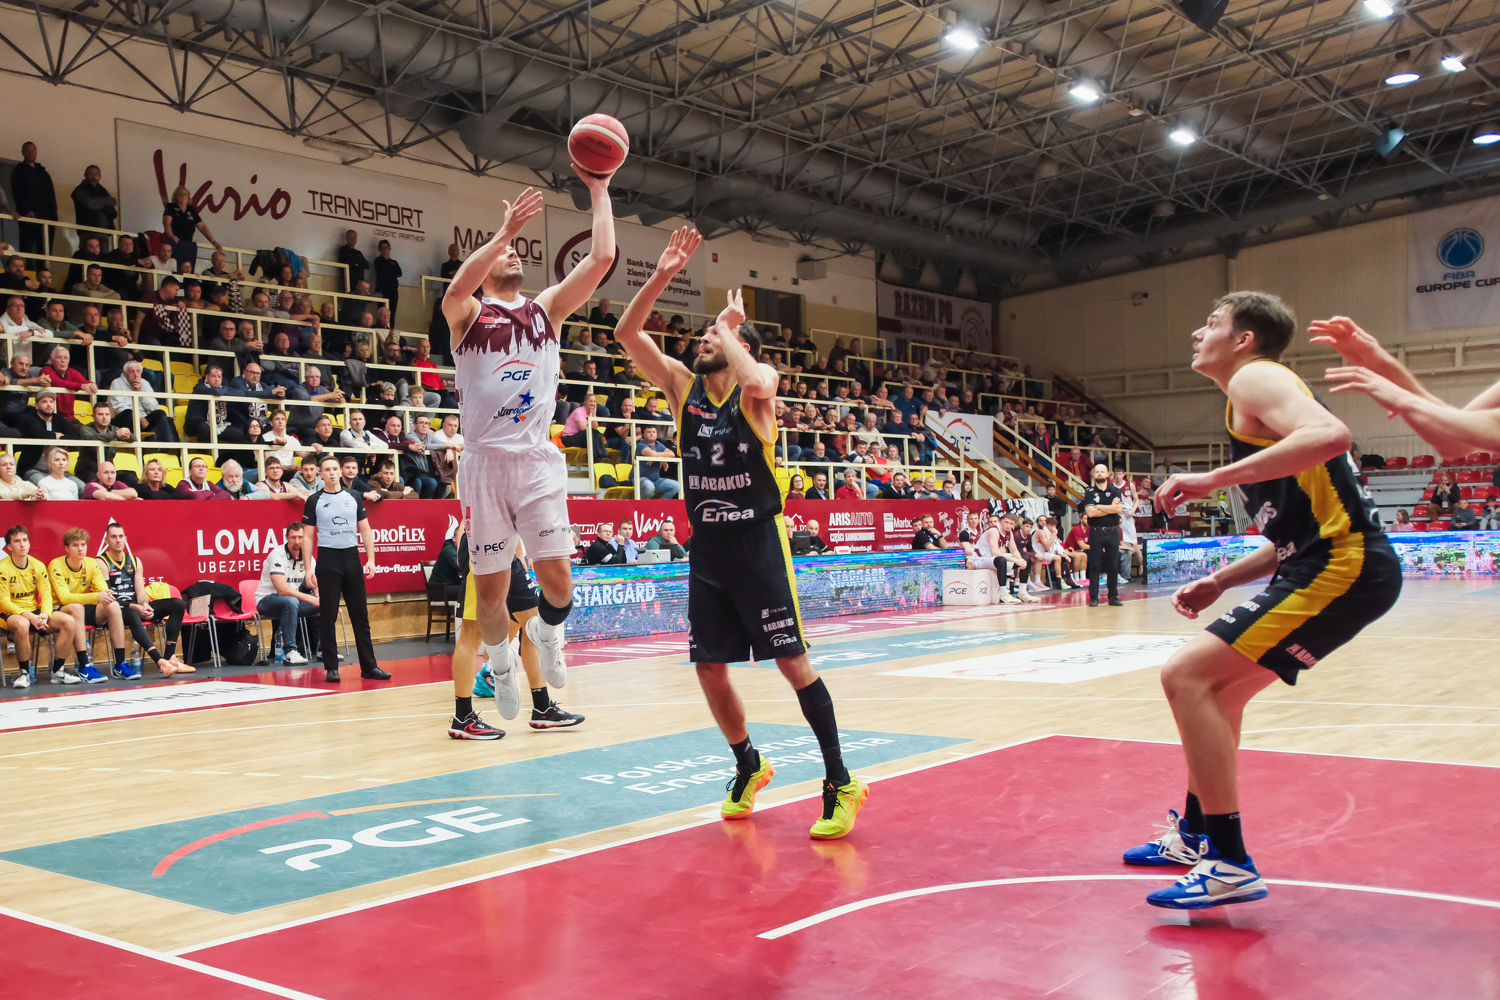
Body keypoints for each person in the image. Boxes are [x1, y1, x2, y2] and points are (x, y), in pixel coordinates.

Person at [1132, 292, 1401, 911]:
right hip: (1331, 562)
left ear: (1244, 339)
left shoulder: (1255, 378)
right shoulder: (1251, 402)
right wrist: (1222, 581)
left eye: (1211, 323)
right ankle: (1196, 837)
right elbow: (1292, 536)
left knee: (1185, 675)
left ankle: (1228, 862)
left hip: (1344, 564)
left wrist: (1211, 479)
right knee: (1220, 693)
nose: (1197, 333)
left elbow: (1332, 435)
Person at [613, 235, 867, 840]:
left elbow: (757, 379)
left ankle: (840, 781)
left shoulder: (757, 389)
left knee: (792, 662)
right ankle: (748, 764)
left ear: (738, 345)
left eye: (713, 337)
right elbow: (627, 333)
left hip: (758, 545)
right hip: (708, 549)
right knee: (709, 667)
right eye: (705, 336)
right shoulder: (683, 388)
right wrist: (663, 273)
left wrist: (728, 328)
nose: (702, 341)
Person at [441, 173, 617, 723]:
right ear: (485, 263)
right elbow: (454, 292)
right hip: (484, 463)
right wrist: (503, 232)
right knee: (491, 596)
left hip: (537, 460)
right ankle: (500, 664)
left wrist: (600, 187)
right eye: (504, 251)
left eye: (516, 249)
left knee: (559, 586)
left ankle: (544, 632)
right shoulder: (469, 315)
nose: (513, 253)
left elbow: (602, 258)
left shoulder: (545, 310)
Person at [455, 535, 583, 738]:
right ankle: (463, 718)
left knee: (533, 622)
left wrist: (521, 554)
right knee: (472, 634)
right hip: (481, 546)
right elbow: (466, 522)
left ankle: (542, 708)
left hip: (509, 549)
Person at [303, 455, 388, 682]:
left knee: (360, 616)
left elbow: (366, 530)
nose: (331, 472)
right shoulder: (314, 500)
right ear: (320, 474)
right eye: (327, 469)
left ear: (340, 472)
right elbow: (308, 537)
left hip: (351, 557)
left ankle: (369, 667)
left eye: (334, 468)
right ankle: (331, 668)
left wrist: (371, 559)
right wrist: (308, 567)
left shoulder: (353, 496)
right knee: (328, 615)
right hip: (328, 560)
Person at [96, 522, 192, 676]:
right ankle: (160, 661)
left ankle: (169, 657)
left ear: (125, 539)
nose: (118, 540)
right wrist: (136, 607)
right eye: (113, 537)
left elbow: (140, 593)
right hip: (117, 609)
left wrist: (145, 605)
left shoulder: (135, 561)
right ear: (106, 540)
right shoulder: (101, 562)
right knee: (132, 613)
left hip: (136, 606)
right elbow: (108, 597)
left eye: (121, 536)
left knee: (178, 604)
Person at [49, 527, 137, 681]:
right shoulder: (56, 565)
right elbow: (64, 598)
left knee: (113, 605)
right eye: (75, 545)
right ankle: (85, 667)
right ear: (67, 548)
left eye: (83, 544)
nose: (80, 549)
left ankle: (120, 664)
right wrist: (96, 596)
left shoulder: (91, 563)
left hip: (82, 607)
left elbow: (103, 591)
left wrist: (104, 595)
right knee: (77, 607)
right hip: (60, 610)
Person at [1, 525, 80, 687]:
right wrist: (30, 616)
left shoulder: (37, 565)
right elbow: (4, 602)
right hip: (9, 613)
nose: (22, 544)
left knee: (69, 621)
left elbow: (46, 595)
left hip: (34, 612)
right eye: (17, 541)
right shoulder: (2, 568)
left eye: (25, 540)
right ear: (9, 547)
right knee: (22, 624)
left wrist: (45, 614)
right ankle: (24, 673)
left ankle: (58, 671)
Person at [255, 523, 319, 665]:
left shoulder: (308, 557)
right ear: (286, 538)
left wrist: (318, 596)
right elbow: (282, 590)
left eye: (300, 537)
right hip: (267, 600)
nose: (297, 541)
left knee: (327, 603)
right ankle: (289, 652)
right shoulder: (277, 555)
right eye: (293, 537)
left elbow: (315, 583)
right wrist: (310, 599)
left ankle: (325, 649)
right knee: (291, 601)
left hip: (293, 602)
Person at [1077, 463, 1124, 607]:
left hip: (1113, 531)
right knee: (1095, 564)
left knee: (1113, 565)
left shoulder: (1115, 491)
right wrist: (1111, 507)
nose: (1099, 474)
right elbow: (1090, 512)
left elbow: (1119, 509)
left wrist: (1099, 507)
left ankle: (1113, 596)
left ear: (1107, 474)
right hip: (1096, 531)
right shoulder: (1090, 492)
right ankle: (1093, 597)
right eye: (1097, 472)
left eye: (1102, 472)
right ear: (1093, 475)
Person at [162, 185, 223, 269]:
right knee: (175, 268)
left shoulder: (191, 210)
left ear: (188, 197)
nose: (183, 196)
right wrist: (172, 236)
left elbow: (202, 226)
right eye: (180, 194)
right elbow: (167, 223)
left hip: (188, 244)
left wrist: (213, 241)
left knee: (187, 268)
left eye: (185, 194)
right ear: (175, 196)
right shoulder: (171, 207)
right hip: (174, 243)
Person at [373, 240, 402, 319]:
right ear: (379, 249)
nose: (384, 249)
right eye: (382, 247)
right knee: (381, 313)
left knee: (392, 314)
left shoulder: (394, 262)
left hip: (393, 291)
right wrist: (391, 271)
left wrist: (388, 271)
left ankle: (391, 327)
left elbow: (399, 273)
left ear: (389, 249)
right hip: (382, 290)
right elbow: (382, 272)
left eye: (386, 247)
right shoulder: (378, 260)